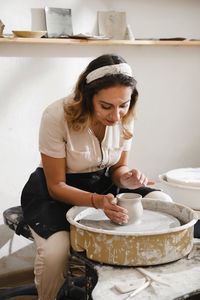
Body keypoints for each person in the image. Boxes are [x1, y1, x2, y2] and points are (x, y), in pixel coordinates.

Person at [21, 54, 172, 300]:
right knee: (55, 252)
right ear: (87, 96)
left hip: (104, 186)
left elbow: (117, 170)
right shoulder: (56, 115)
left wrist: (128, 179)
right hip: (57, 190)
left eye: (123, 105)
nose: (116, 116)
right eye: (106, 106)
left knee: (163, 201)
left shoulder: (125, 114)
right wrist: (97, 202)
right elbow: (56, 185)